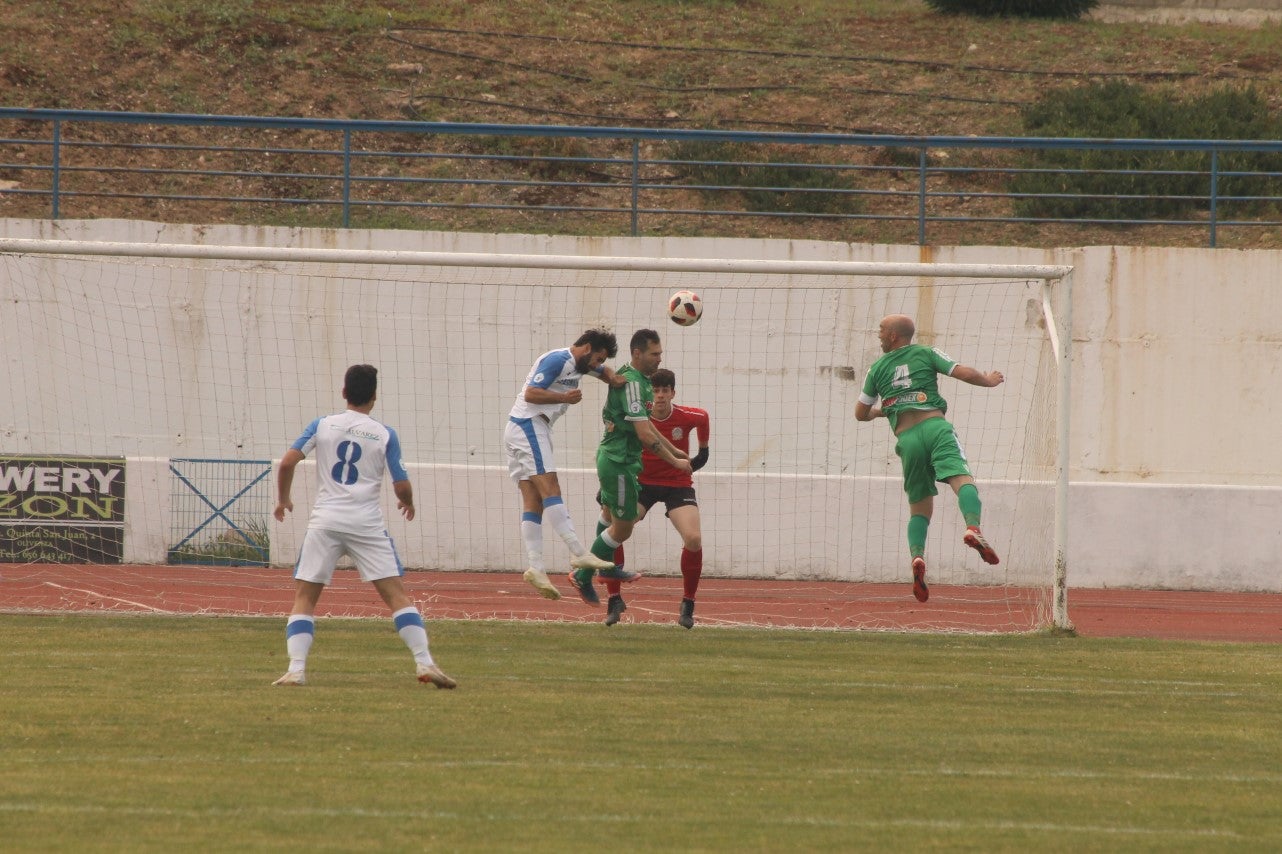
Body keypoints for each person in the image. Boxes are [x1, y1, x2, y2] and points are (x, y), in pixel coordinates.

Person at [271, 364, 455, 688]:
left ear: (344, 393)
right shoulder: (384, 434)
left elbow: (287, 462)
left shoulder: (322, 425)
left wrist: (283, 498)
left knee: (305, 598)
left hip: (325, 521)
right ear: (374, 396)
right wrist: (408, 501)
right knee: (396, 596)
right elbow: (401, 485)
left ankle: (296, 669)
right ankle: (424, 662)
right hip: (365, 523)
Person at [854, 314, 1003, 603]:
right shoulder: (926, 352)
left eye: (882, 331)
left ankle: (918, 558)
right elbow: (963, 373)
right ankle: (973, 527)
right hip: (935, 427)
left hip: (907, 440)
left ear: (894, 336)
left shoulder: (876, 369)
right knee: (961, 478)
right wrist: (989, 380)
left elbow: (860, 413)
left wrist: (880, 411)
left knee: (919, 508)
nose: (879, 335)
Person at [570, 329, 692, 607]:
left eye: (660, 353)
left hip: (620, 460)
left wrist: (674, 449)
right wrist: (676, 463)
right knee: (622, 529)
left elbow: (646, 425)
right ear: (637, 353)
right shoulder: (633, 384)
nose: (659, 359)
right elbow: (644, 435)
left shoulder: (641, 381)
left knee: (611, 516)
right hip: (619, 462)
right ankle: (584, 574)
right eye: (654, 354)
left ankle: (603, 565)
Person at [505, 329, 623, 602]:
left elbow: (605, 373)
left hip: (521, 428)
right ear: (587, 348)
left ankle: (536, 568)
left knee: (533, 500)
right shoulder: (557, 360)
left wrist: (615, 378)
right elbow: (531, 394)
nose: (597, 364)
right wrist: (564, 398)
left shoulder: (582, 364)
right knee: (551, 488)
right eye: (597, 358)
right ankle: (579, 552)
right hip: (528, 426)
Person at [598, 369, 709, 629]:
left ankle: (688, 604)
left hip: (677, 486)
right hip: (641, 483)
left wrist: (687, 466)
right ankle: (614, 599)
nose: (660, 396)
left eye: (665, 391)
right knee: (616, 528)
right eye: (656, 391)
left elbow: (703, 456)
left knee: (693, 539)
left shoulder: (695, 417)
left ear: (673, 393)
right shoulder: (638, 416)